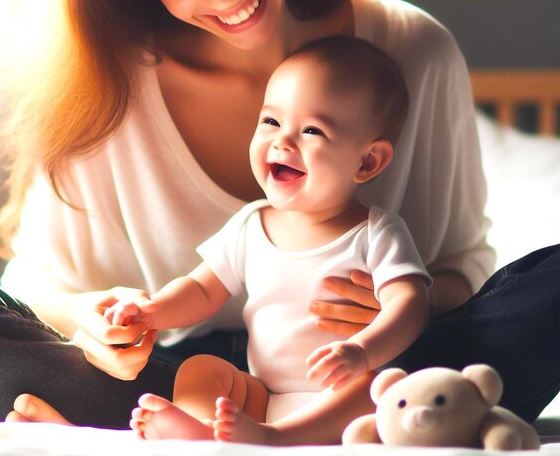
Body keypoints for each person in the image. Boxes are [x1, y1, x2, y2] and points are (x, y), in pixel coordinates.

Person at [0, 0, 556, 435]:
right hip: (176, 377)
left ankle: (150, 428)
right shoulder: (105, 81)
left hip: (368, 374)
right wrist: (91, 321)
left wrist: (396, 317)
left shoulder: (413, 52)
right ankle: (200, 423)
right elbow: (37, 284)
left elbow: (465, 272)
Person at [106, 36, 431, 444]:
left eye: (312, 130)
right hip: (262, 395)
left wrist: (362, 352)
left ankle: (275, 438)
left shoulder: (375, 232)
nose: (283, 142)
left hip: (339, 394)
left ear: (367, 161)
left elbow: (410, 304)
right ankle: (202, 429)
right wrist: (153, 310)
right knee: (201, 368)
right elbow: (201, 289)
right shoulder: (251, 224)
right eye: (271, 122)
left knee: (378, 386)